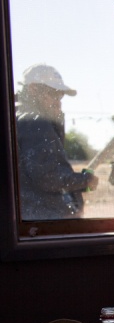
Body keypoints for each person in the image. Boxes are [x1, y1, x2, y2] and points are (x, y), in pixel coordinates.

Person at [15, 64, 99, 220]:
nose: (58, 102)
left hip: (32, 221)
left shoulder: (17, 120)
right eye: (53, 94)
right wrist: (85, 181)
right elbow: (48, 177)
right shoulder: (35, 122)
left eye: (60, 96)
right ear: (33, 90)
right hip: (46, 223)